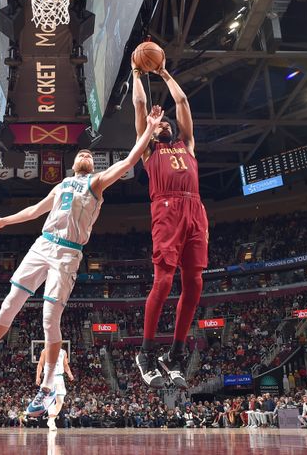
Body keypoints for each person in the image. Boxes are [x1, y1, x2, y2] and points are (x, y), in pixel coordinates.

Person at [0, 106, 166, 418]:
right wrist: (4, 220)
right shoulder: (61, 186)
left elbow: (130, 160)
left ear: (92, 165)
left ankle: (46, 388)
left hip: (67, 252)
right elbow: (33, 211)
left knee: (48, 319)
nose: (83, 154)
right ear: (73, 165)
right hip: (43, 244)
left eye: (88, 154)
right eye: (80, 153)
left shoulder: (96, 182)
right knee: (10, 302)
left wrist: (148, 129)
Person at [131, 55, 208, 389]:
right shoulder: (148, 150)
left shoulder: (187, 145)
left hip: (195, 212)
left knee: (195, 284)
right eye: (156, 125)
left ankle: (175, 354)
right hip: (166, 211)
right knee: (163, 282)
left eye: (164, 125)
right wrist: (136, 73)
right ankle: (146, 352)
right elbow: (139, 103)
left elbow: (182, 100)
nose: (161, 125)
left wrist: (163, 72)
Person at [36, 345, 74, 431]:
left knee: (60, 401)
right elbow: (40, 364)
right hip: (48, 377)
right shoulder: (45, 351)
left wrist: (69, 374)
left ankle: (51, 419)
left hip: (59, 378)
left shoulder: (63, 352)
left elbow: (65, 365)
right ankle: (52, 423)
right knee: (50, 401)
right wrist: (38, 377)